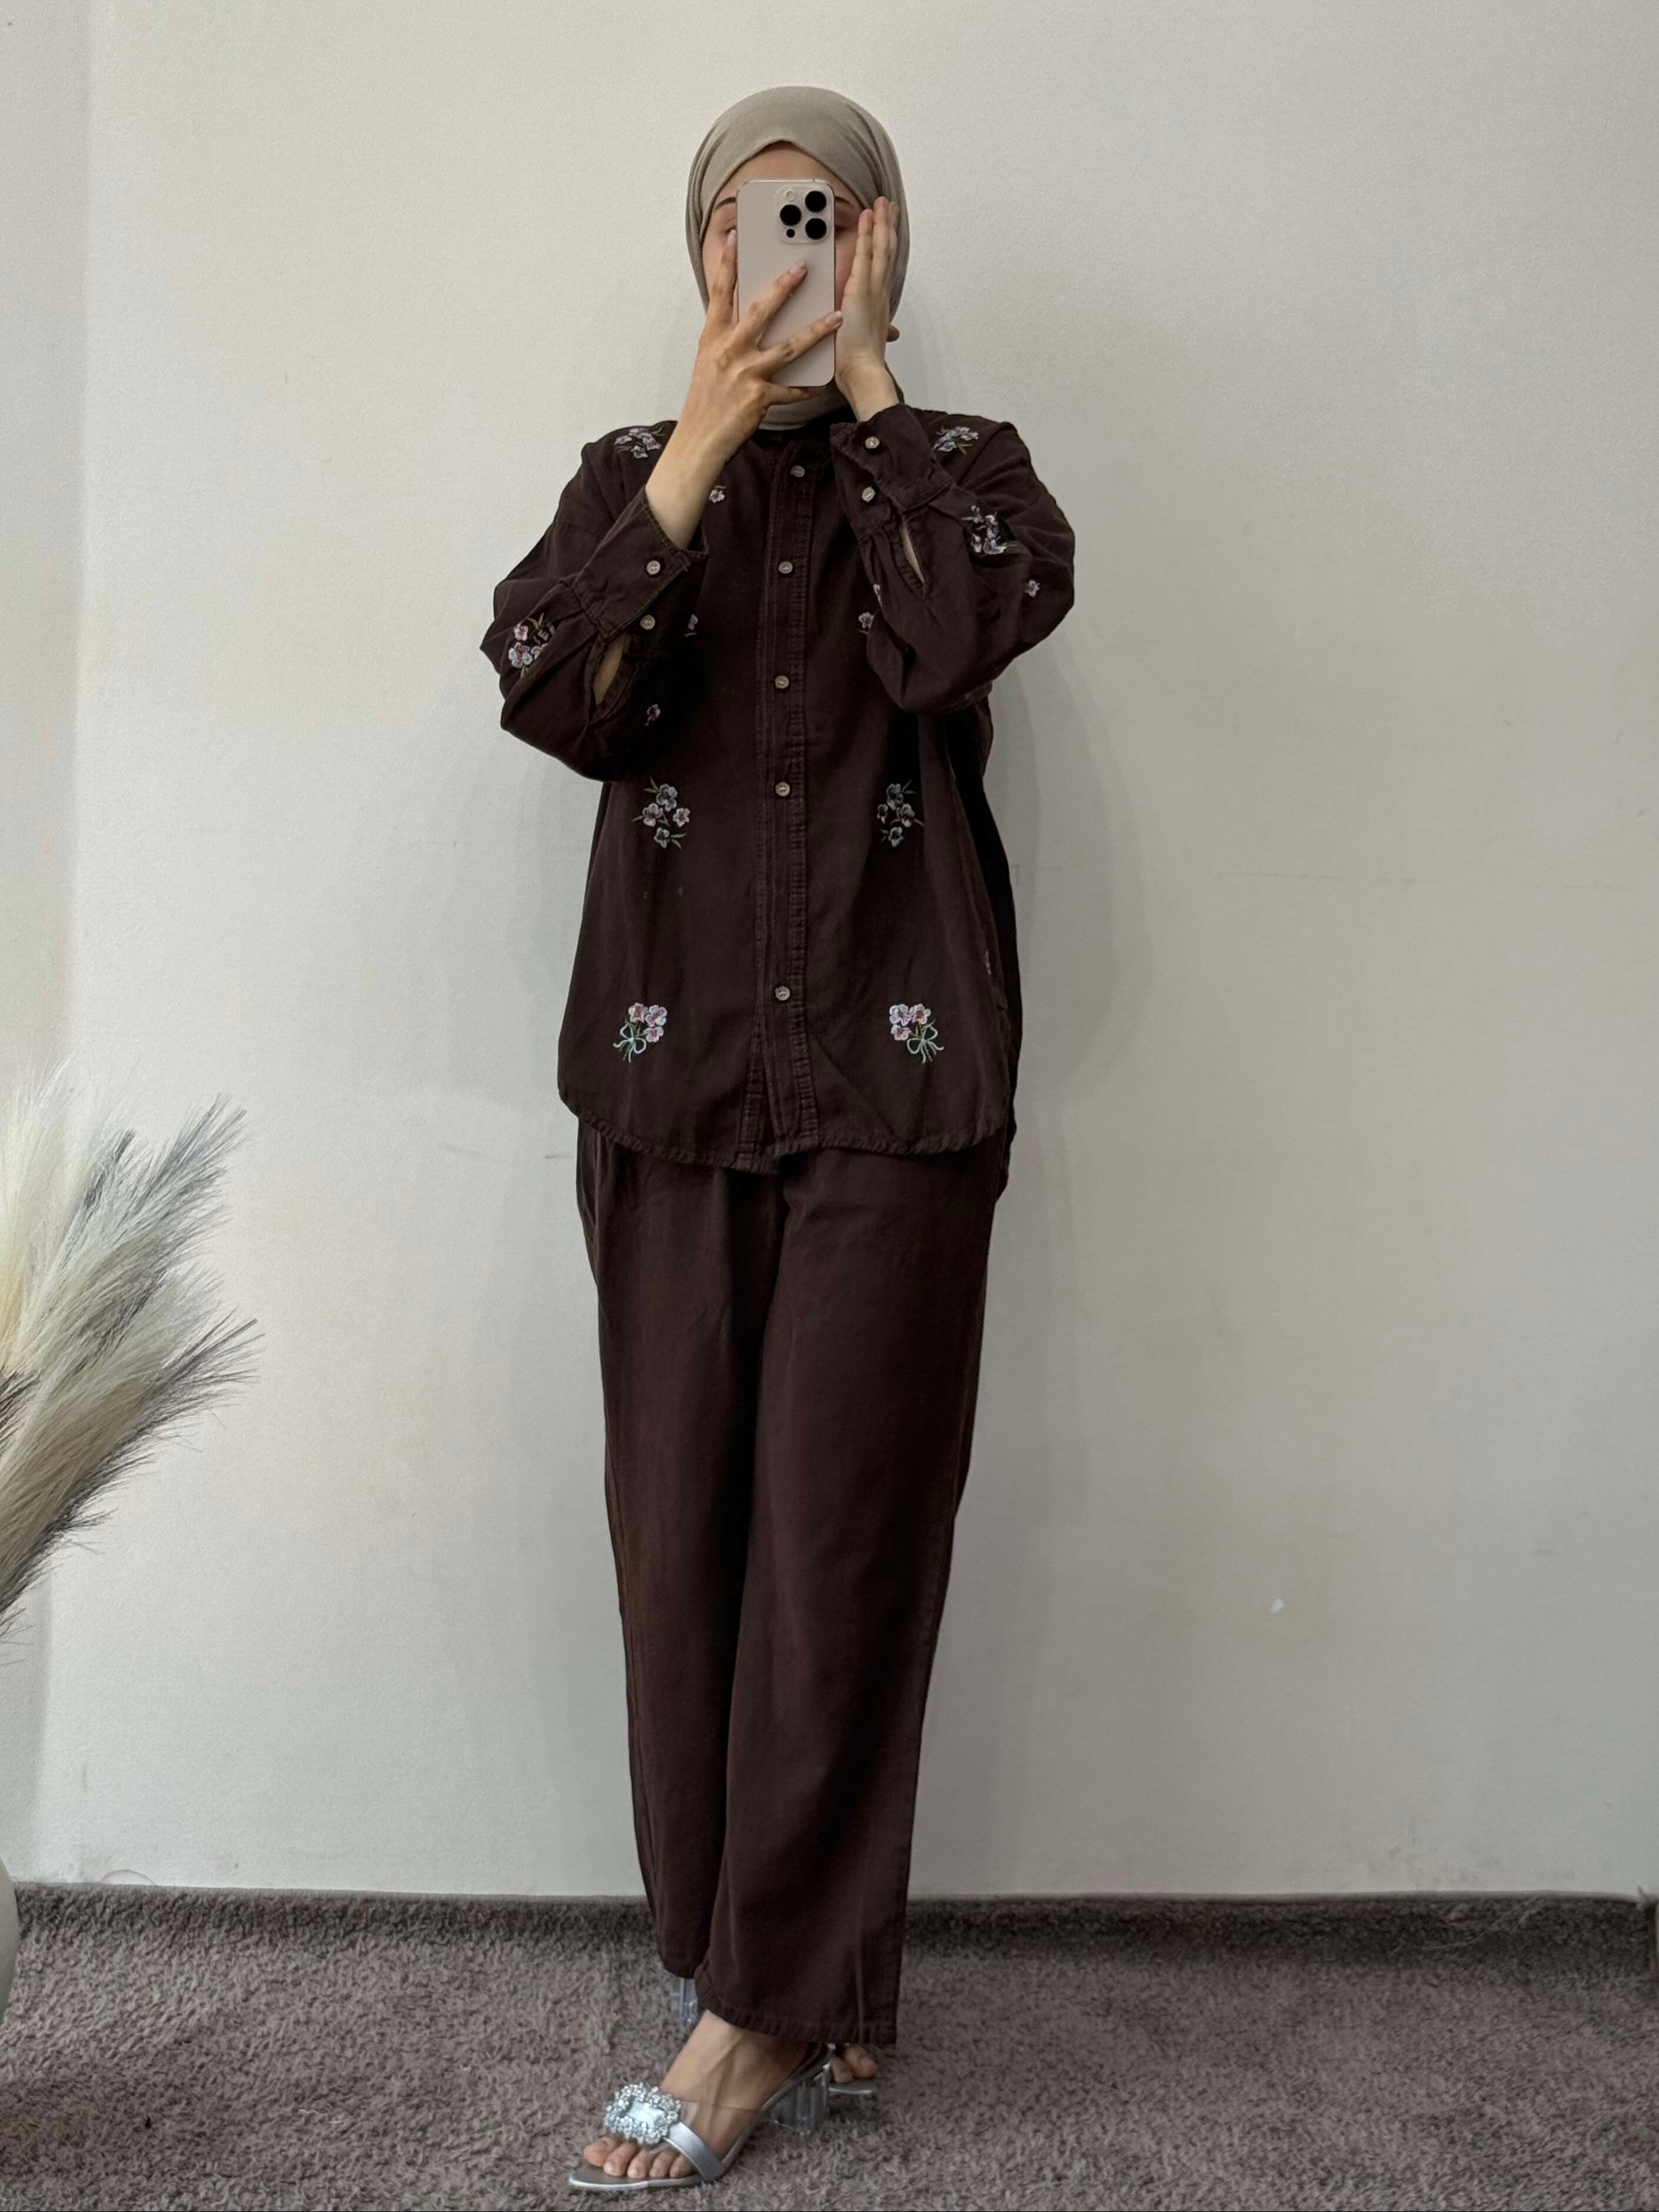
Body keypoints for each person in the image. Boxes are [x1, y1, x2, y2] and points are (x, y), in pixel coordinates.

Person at [478, 82, 1075, 2194]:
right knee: (686, 1552)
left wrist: (876, 387)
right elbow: (551, 689)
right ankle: (767, 1965)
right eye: (750, 222)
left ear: (884, 239)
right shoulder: (626, 483)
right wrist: (712, 431)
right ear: (699, 258)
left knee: (838, 1546)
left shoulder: (966, 483)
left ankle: (746, 2027)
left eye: (826, 216)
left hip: (901, 1097)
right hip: (666, 1091)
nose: (788, 252)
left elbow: (949, 641)